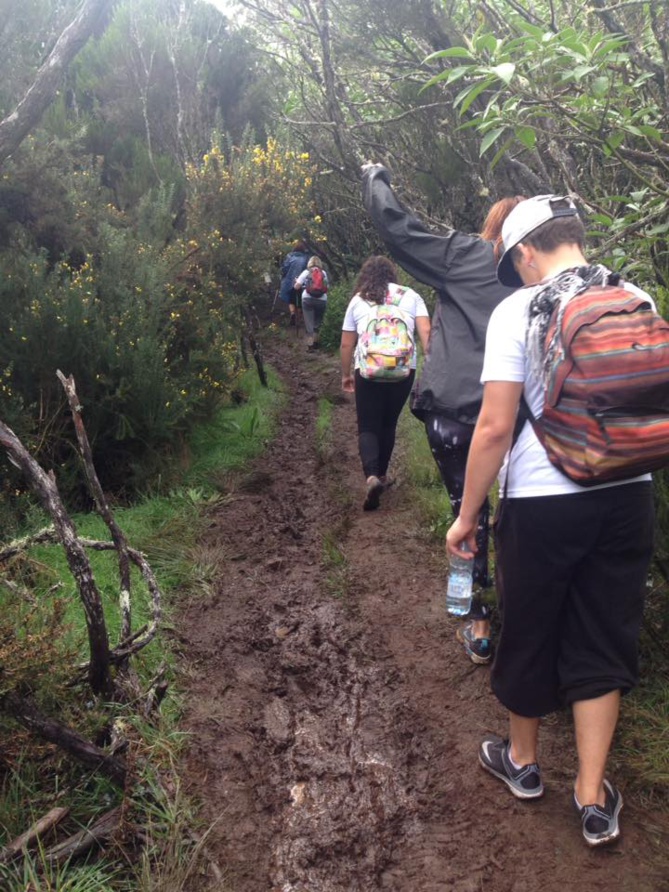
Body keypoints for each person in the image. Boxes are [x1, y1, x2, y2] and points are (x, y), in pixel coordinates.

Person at [445, 194, 655, 847]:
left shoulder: (517, 309)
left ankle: (523, 764)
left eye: (515, 262)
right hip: (627, 493)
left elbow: (494, 427)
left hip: (541, 499)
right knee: (603, 633)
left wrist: (466, 515)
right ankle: (591, 798)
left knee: (530, 625)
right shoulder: (636, 296)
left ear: (526, 251)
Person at [363, 162, 524, 664]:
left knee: (466, 513)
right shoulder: (548, 278)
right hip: (521, 419)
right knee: (521, 518)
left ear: (492, 229)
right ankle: (525, 620)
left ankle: (476, 623)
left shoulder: (467, 256)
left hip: (455, 413)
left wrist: (375, 177)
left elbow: (400, 229)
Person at [340, 255, 431, 511]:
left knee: (368, 424)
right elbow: (425, 333)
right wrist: (431, 365)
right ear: (393, 275)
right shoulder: (411, 296)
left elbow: (347, 343)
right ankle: (381, 475)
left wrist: (345, 374)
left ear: (366, 275)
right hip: (403, 370)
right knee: (389, 423)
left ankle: (370, 476)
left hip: (367, 369)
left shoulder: (358, 300)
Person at [294, 256, 329, 351]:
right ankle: (316, 342)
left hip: (307, 299)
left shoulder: (306, 272)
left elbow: (296, 287)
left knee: (309, 322)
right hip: (322, 300)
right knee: (318, 321)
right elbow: (327, 288)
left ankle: (310, 345)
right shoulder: (324, 273)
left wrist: (297, 281)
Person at [279, 240, 309, 325]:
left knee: (290, 298)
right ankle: (300, 316)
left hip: (289, 282)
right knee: (300, 298)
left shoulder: (289, 257)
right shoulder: (306, 258)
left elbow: (284, 269)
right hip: (301, 282)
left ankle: (292, 314)